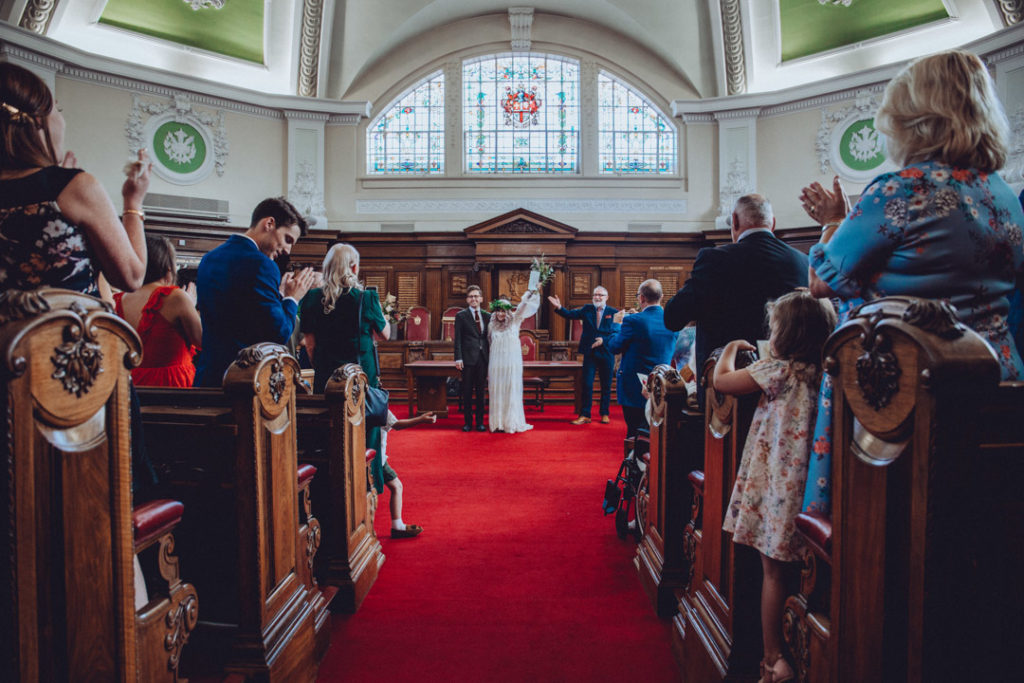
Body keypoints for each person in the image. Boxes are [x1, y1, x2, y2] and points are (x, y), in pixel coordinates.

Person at [798, 49, 1024, 515]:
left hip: (898, 394)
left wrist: (833, 222)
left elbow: (820, 282)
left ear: (915, 120)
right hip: (995, 382)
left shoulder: (902, 189)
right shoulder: (1004, 196)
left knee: (887, 538)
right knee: (980, 527)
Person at [713, 290, 837, 683]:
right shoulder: (826, 372)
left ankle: (772, 659)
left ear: (785, 334)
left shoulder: (777, 369)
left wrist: (730, 348)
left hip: (777, 485)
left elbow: (722, 382)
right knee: (805, 569)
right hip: (815, 484)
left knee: (773, 572)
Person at [0, 62, 148, 295]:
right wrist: (133, 202)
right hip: (70, 329)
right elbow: (132, 277)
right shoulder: (71, 187)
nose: (61, 120)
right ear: (39, 120)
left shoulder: (62, 188)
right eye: (58, 109)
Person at [663, 194, 808, 409]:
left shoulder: (715, 259)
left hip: (725, 392)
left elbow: (673, 318)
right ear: (773, 222)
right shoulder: (801, 261)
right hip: (784, 387)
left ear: (735, 221)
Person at [194, 197, 316, 387]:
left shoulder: (209, 259)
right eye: (287, 239)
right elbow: (278, 334)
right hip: (245, 383)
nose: (287, 250)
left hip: (208, 376)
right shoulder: (262, 265)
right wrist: (292, 298)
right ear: (269, 223)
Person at [299, 243, 391, 493]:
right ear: (353, 267)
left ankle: (333, 486)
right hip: (361, 375)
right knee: (365, 429)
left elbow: (309, 346)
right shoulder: (366, 297)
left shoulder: (310, 299)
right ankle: (366, 487)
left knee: (331, 430)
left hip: (327, 375)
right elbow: (385, 335)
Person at [114, 235, 202, 387]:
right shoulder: (176, 297)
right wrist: (191, 305)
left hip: (131, 384)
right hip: (171, 386)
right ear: (168, 268)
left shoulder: (117, 299)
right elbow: (202, 341)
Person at [606, 279, 678, 438]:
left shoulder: (632, 320)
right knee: (657, 431)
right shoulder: (672, 319)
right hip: (663, 384)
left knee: (635, 430)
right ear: (662, 297)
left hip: (635, 386)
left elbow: (614, 346)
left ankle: (635, 459)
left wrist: (616, 325)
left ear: (642, 298)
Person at [549, 286, 619, 425]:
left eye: (600, 295)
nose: (597, 297)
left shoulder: (614, 312)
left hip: (606, 352)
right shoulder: (587, 309)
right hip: (590, 352)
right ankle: (585, 414)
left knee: (606, 385)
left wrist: (603, 340)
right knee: (586, 383)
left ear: (607, 297)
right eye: (595, 294)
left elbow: (616, 333)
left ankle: (604, 413)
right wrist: (559, 307)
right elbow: (570, 315)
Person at [487, 290, 540, 433]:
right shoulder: (491, 325)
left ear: (509, 312)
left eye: (504, 311)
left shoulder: (515, 321)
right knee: (497, 390)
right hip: (496, 364)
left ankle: (510, 422)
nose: (500, 314)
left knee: (510, 390)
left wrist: (531, 291)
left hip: (511, 364)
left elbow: (523, 305)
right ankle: (498, 422)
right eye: (498, 311)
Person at [379, 409, 437, 538]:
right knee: (397, 486)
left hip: (366, 453)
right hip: (377, 458)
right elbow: (397, 425)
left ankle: (397, 525)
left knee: (395, 486)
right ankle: (397, 526)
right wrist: (420, 420)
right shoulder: (378, 402)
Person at [453, 285, 489, 432]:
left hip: (483, 358)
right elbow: (458, 339)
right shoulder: (461, 316)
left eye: (476, 296)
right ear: (467, 299)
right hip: (467, 359)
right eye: (471, 296)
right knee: (467, 392)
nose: (474, 299)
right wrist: (458, 358)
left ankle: (480, 422)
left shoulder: (488, 315)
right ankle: (468, 422)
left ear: (481, 298)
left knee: (481, 392)